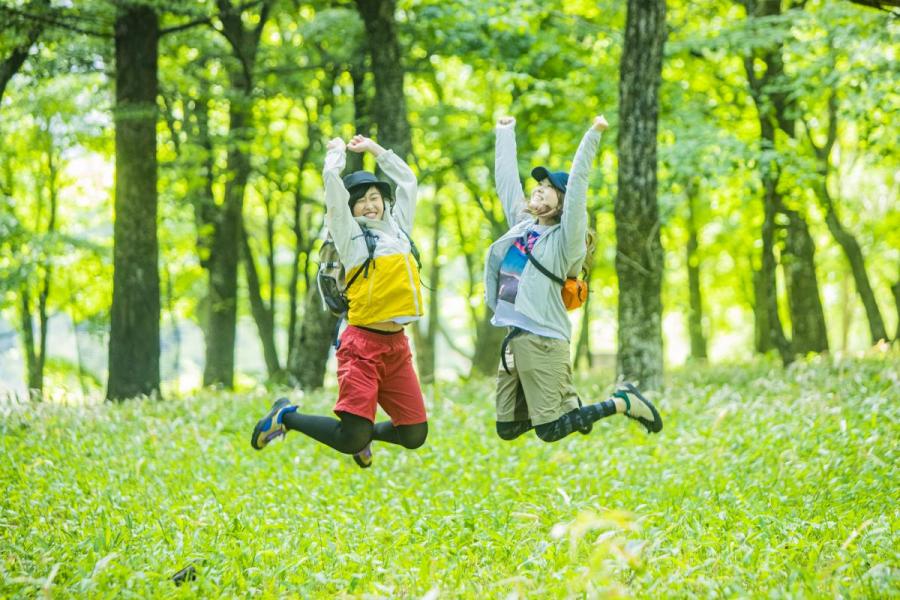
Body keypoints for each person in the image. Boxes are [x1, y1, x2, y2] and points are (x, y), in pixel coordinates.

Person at [251, 134, 428, 468]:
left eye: (374, 197)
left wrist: (376, 149)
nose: (369, 205)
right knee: (351, 439)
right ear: (350, 210)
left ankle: (362, 432)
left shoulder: (400, 230)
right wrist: (335, 156)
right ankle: (285, 417)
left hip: (397, 348)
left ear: (384, 201)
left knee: (414, 434)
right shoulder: (351, 237)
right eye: (359, 201)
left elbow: (408, 181)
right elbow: (333, 191)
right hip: (362, 346)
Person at [485, 114, 663, 443]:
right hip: (515, 337)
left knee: (551, 430)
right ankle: (573, 412)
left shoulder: (567, 242)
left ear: (563, 204)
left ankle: (623, 402)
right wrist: (505, 132)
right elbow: (506, 182)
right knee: (507, 428)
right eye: (539, 185)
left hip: (543, 338)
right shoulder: (522, 226)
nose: (540, 188)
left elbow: (579, 183)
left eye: (550, 188)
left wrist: (592, 134)